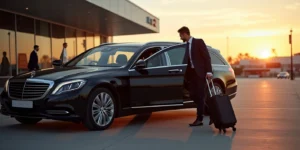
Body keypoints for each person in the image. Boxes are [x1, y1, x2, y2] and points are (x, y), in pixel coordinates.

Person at [178, 26, 213, 126]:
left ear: (185, 34)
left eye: (181, 35)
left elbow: (206, 57)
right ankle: (211, 112)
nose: (180, 38)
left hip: (200, 73)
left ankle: (199, 119)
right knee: (193, 95)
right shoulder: (186, 45)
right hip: (192, 74)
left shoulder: (198, 42)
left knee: (200, 95)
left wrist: (209, 71)